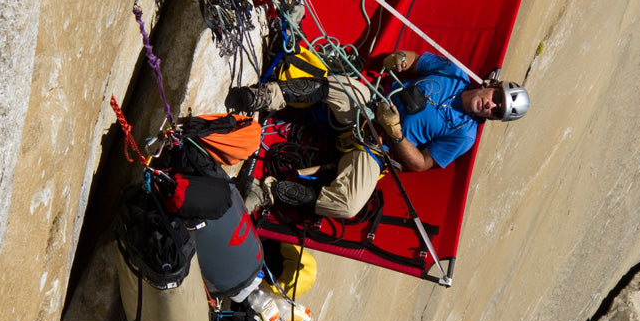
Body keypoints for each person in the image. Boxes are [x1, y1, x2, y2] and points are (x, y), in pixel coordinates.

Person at [226, 51, 529, 220]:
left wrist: (395, 133)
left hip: (375, 150)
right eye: (497, 98)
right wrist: (399, 59)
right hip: (369, 106)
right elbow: (414, 60)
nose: (491, 105)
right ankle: (267, 96)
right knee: (343, 87)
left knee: (347, 206)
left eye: (496, 111)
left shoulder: (464, 136)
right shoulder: (453, 71)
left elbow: (422, 163)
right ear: (494, 85)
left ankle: (265, 192)